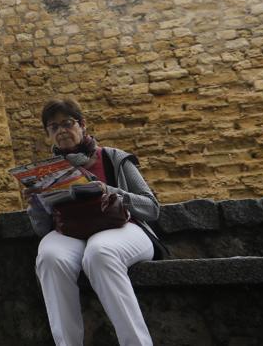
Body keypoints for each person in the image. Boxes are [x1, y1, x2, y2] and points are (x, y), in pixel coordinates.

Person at [26, 98, 161, 346]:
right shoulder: (47, 173)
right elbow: (42, 228)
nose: (61, 130)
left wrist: (109, 191)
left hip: (122, 228)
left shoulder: (112, 157)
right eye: (53, 127)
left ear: (82, 124)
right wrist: (35, 204)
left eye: (67, 123)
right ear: (48, 135)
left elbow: (151, 208)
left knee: (100, 252)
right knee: (49, 257)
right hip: (71, 232)